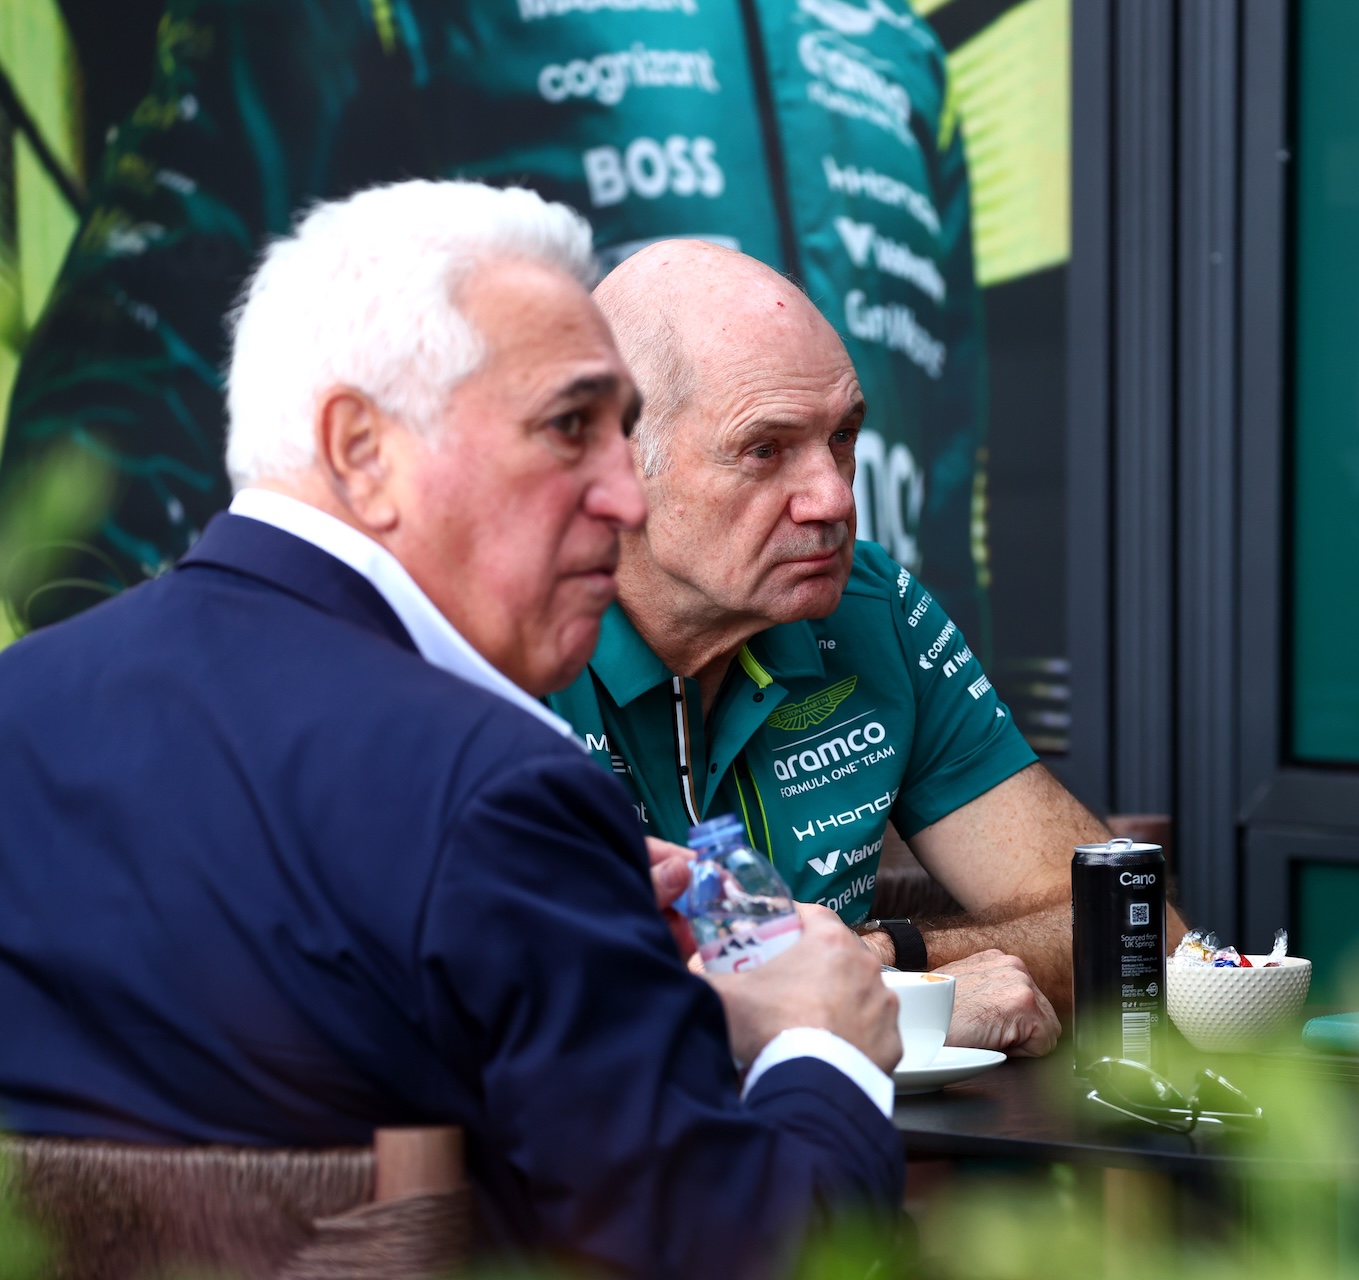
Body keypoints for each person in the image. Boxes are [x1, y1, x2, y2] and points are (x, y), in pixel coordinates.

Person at [0, 181, 907, 1276]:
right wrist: (826, 1045)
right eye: (571, 426)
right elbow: (733, 1254)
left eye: (621, 434)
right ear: (361, 447)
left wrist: (614, 961)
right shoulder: (494, 792)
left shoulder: (24, 708)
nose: (625, 496)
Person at [4, 0, 988, 646]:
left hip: (826, 737)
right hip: (510, 745)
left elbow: (947, 472)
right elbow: (109, 417)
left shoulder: (894, 49)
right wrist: (234, 755)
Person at [554, 240, 1146, 1054]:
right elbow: (515, 1003)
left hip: (864, 1165)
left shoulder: (869, 609)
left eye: (843, 436)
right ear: (619, 462)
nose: (833, 497)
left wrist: (883, 964)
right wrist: (871, 1002)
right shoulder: (502, 641)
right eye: (765, 449)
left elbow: (1133, 933)